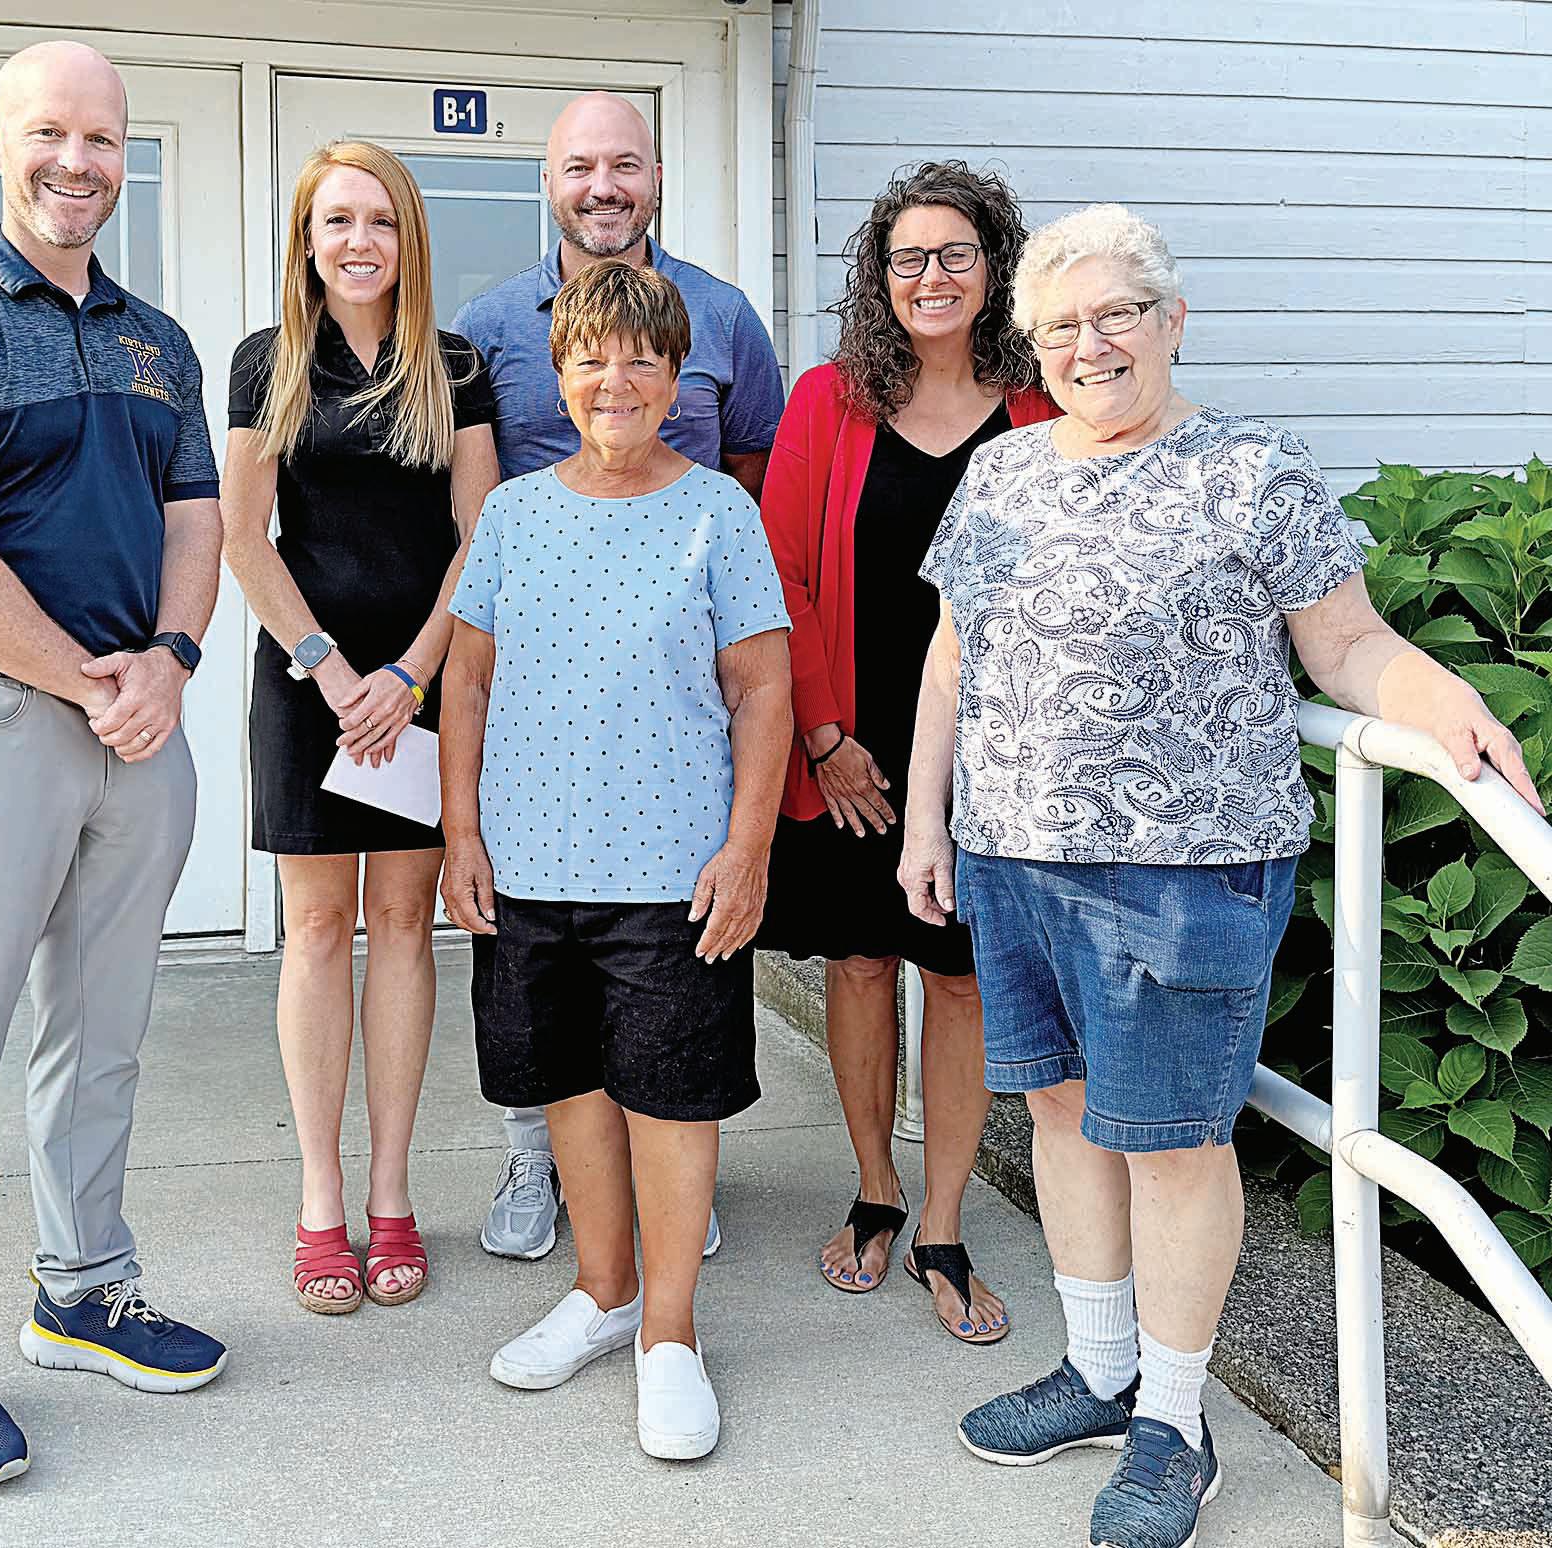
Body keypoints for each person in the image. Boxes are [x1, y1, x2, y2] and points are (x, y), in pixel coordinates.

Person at [903, 203, 1541, 1548]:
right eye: (1063, 326)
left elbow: (1346, 646)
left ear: (1173, 320)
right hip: (1013, 857)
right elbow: (955, 656)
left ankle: (1173, 1425)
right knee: (1062, 1112)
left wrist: (1444, 702)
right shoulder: (1002, 474)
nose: (1092, 344)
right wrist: (926, 823)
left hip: (1184, 875)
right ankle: (1099, 1371)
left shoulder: (1253, 469)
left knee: (1176, 1146)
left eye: (1118, 313)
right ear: (1035, 348)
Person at [0, 41, 228, 1490]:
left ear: (127, 154)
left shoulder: (160, 343)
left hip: (142, 730)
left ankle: (83, 1291)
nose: (79, 162)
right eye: (51, 135)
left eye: (103, 139)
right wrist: (92, 679)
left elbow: (195, 521)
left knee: (102, 1030)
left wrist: (173, 660)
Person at [440, 260, 791, 1460]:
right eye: (593, 357)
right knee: (571, 1088)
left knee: (670, 1098)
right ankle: (603, 1294)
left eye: (644, 359)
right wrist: (461, 832)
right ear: (560, 375)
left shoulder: (719, 512)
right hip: (531, 866)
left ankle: (671, 1336)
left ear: (678, 378)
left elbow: (762, 690)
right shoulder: (512, 513)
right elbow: (468, 682)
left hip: (672, 873)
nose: (617, 379)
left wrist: (748, 847)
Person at [452, 90, 785, 1261]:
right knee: (539, 1008)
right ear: (549, 182)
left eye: (626, 164)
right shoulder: (488, 325)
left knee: (663, 1008)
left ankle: (667, 1180)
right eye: (581, 166)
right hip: (539, 722)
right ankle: (536, 1164)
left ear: (655, 178)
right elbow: (471, 509)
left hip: (668, 714)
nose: (604, 186)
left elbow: (754, 474)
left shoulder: (725, 319)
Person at [757, 162, 1056, 1341]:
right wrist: (824, 736)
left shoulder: (1042, 410)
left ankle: (942, 1220)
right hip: (853, 749)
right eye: (908, 258)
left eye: (955, 254)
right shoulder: (829, 400)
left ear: (996, 270)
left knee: (961, 977)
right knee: (862, 964)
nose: (932, 277)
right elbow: (780, 573)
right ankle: (876, 1187)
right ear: (879, 277)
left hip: (992, 753)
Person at [220, 141, 499, 1314]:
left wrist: (411, 675)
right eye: (336, 220)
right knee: (320, 929)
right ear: (308, 238)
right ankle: (322, 1201)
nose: (359, 241)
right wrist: (333, 671)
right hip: (310, 684)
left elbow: (481, 534)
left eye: (379, 220)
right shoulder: (268, 360)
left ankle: (392, 1196)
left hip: (419, 683)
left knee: (402, 923)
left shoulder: (454, 364)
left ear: (408, 237)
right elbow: (243, 539)